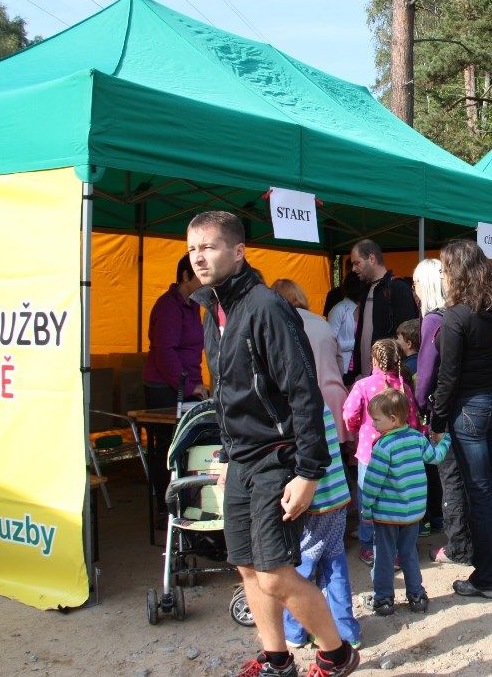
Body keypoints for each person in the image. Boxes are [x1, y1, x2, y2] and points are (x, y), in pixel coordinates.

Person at [186, 211, 358, 677]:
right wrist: (226, 453)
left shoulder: (265, 306)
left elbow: (303, 390)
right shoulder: (213, 308)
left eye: (211, 246)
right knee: (244, 565)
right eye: (194, 248)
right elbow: (227, 392)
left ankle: (336, 654)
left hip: (277, 459)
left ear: (238, 251)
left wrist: (308, 472)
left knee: (274, 572)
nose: (200, 256)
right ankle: (277, 659)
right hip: (241, 459)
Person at [430, 239, 492, 599]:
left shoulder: (455, 316)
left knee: (480, 495)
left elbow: (447, 376)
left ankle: (488, 578)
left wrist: (436, 421)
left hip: (469, 410)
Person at [360, 389, 451, 616]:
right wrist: (446, 439)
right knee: (409, 552)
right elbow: (436, 457)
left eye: (376, 420)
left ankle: (383, 600)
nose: (373, 424)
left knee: (383, 555)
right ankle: (417, 596)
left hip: (387, 515)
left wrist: (366, 508)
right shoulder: (417, 438)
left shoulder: (383, 447)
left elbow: (372, 483)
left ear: (392, 419)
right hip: (413, 514)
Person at [282, 405, 360, 649]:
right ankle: (346, 631)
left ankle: (295, 630)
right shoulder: (320, 403)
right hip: (336, 497)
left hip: (313, 503)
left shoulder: (295, 409)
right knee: (334, 562)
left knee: (302, 566)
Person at [342, 339, 421, 566]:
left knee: (368, 501)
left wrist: (359, 429)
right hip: (401, 455)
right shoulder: (403, 387)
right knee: (396, 499)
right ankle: (400, 549)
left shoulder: (363, 385)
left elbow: (349, 414)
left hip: (370, 452)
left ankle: (368, 548)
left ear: (374, 360)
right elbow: (413, 420)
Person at [413, 258, 470, 565]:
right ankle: (465, 538)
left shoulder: (433, 321)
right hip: (470, 406)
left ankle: (457, 544)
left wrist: (420, 408)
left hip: (445, 410)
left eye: (416, 283)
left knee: (451, 478)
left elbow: (427, 373)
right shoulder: (459, 313)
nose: (415, 290)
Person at [142, 253, 206, 522]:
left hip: (187, 385)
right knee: (166, 449)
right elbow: (165, 352)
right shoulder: (168, 306)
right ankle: (165, 505)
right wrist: (189, 385)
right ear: (184, 276)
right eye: (199, 276)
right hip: (164, 387)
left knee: (187, 445)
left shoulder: (193, 306)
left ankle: (186, 502)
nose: (205, 281)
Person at [271, 279, 351, 448]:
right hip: (334, 396)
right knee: (337, 462)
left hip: (304, 404)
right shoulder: (322, 322)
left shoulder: (280, 324)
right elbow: (339, 363)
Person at [348, 239, 419, 383]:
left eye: (357, 263)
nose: (353, 269)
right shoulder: (366, 289)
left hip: (388, 379)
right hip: (367, 378)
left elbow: (407, 336)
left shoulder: (397, 287)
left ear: (372, 259)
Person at [327, 272, 363, 374]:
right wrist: (357, 344)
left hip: (361, 364)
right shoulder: (339, 310)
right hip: (344, 367)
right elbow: (331, 343)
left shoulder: (365, 309)